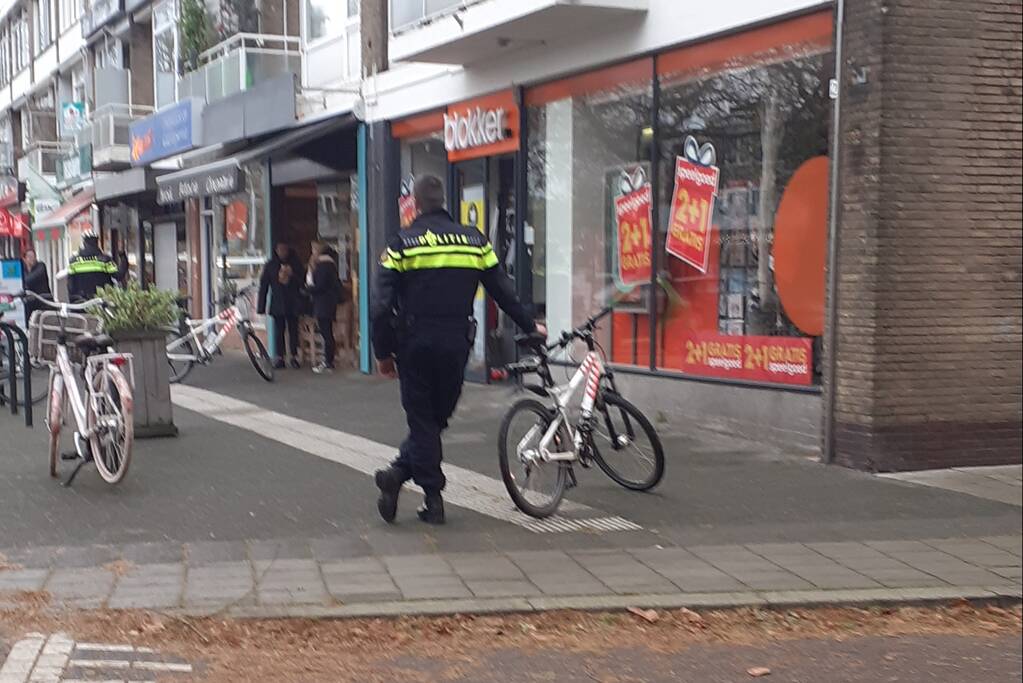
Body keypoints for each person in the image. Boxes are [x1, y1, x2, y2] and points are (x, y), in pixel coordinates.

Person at [371, 175, 545, 525]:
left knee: (425, 421)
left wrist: (383, 352)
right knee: (435, 419)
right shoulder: (473, 241)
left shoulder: (401, 244)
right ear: (443, 202)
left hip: (414, 344)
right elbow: (503, 291)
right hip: (455, 344)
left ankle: (422, 491)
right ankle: (407, 481)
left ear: (417, 205)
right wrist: (530, 326)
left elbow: (380, 306)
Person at [257, 241, 304, 369]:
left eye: (285, 249)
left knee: (293, 330)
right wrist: (261, 306)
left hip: (293, 301)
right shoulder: (271, 265)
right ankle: (279, 357)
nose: (283, 252)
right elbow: (264, 286)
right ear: (276, 250)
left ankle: (294, 356)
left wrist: (292, 275)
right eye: (280, 250)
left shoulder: (295, 264)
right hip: (278, 302)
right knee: (279, 331)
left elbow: (303, 282)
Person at [306, 241, 343, 375]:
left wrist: (308, 289)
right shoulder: (329, 264)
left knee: (326, 332)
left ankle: (328, 362)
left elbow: (319, 285)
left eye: (314, 249)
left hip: (323, 303)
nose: (312, 252)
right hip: (327, 302)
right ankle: (328, 360)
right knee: (326, 332)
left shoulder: (323, 265)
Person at [67, 233, 118, 303]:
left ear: (84, 243)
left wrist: (73, 300)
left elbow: (70, 284)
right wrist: (124, 259)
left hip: (80, 302)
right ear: (97, 243)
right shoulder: (105, 259)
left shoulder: (73, 261)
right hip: (102, 301)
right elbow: (118, 276)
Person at [21, 248, 51, 325]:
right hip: (30, 303)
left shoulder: (41, 266)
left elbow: (29, 280)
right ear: (24, 259)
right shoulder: (23, 270)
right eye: (29, 257)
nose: (32, 259)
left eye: (33, 256)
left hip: (43, 301)